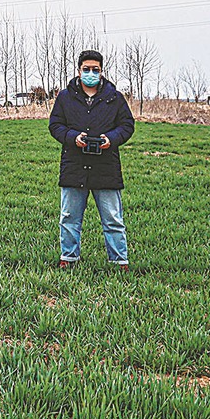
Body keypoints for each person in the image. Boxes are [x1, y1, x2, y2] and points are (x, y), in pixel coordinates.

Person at [47, 50, 135, 269]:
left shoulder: (114, 97)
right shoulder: (65, 97)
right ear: (78, 70)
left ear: (101, 71)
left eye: (95, 69)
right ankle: (68, 258)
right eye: (86, 69)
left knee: (113, 219)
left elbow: (127, 126)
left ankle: (119, 261)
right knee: (69, 218)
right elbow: (55, 125)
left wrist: (111, 139)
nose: (91, 73)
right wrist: (72, 138)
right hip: (74, 166)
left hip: (106, 167)